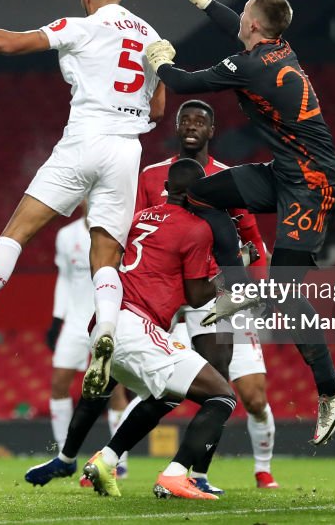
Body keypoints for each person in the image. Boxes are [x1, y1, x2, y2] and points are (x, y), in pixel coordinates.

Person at [0, 0, 166, 401]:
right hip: (127, 151)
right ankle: (107, 330)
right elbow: (160, 109)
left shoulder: (80, 25)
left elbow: (8, 43)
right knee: (105, 255)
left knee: (18, 231)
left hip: (84, 139)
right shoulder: (150, 36)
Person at [144, 0, 335, 445]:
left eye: (245, 14)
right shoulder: (278, 49)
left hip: (313, 187)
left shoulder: (252, 66)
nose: (239, 17)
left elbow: (183, 81)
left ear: (255, 26)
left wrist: (159, 59)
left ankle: (331, 389)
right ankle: (237, 281)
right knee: (197, 191)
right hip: (284, 173)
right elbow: (230, 24)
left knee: (284, 295)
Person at [135, 99, 278, 490]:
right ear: (177, 127)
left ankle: (243, 470)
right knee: (161, 387)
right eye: (186, 120)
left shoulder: (231, 178)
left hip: (218, 293)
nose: (192, 126)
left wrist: (259, 287)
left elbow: (253, 239)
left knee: (243, 392)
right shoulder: (151, 177)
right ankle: (115, 459)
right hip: (168, 299)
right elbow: (137, 233)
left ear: (212, 130)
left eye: (201, 120)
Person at [82, 159, 236, 501]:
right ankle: (176, 475)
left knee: (164, 396)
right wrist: (227, 276)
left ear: (167, 187)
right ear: (197, 192)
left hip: (106, 322)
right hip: (138, 325)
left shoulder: (139, 218)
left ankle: (106, 460)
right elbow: (197, 296)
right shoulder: (195, 228)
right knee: (222, 396)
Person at [25, 205, 130, 486]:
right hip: (74, 322)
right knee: (59, 383)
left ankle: (118, 462)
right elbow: (65, 278)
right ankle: (64, 454)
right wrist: (57, 319)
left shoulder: (118, 230)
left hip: (105, 320)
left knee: (114, 389)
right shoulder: (66, 235)